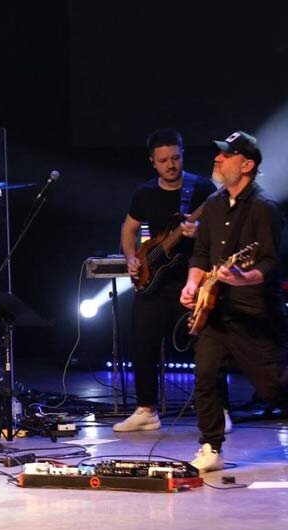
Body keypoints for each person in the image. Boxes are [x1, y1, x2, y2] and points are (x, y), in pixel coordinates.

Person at [180, 130, 288, 473]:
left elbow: (269, 264)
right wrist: (192, 284)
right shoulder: (213, 204)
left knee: (274, 386)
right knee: (205, 374)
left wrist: (244, 277)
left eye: (227, 155)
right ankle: (211, 446)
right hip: (215, 311)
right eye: (219, 154)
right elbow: (201, 253)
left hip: (254, 312)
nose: (218, 159)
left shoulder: (264, 208)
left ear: (246, 165)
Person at [115, 128, 218, 432]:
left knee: (207, 345)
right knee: (142, 342)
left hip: (193, 280)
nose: (171, 165)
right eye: (163, 160)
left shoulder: (203, 189)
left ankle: (218, 408)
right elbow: (129, 228)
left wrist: (200, 232)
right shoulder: (144, 193)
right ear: (152, 162)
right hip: (154, 281)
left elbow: (222, 228)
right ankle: (146, 409)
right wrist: (131, 258)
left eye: (175, 158)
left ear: (182, 154)